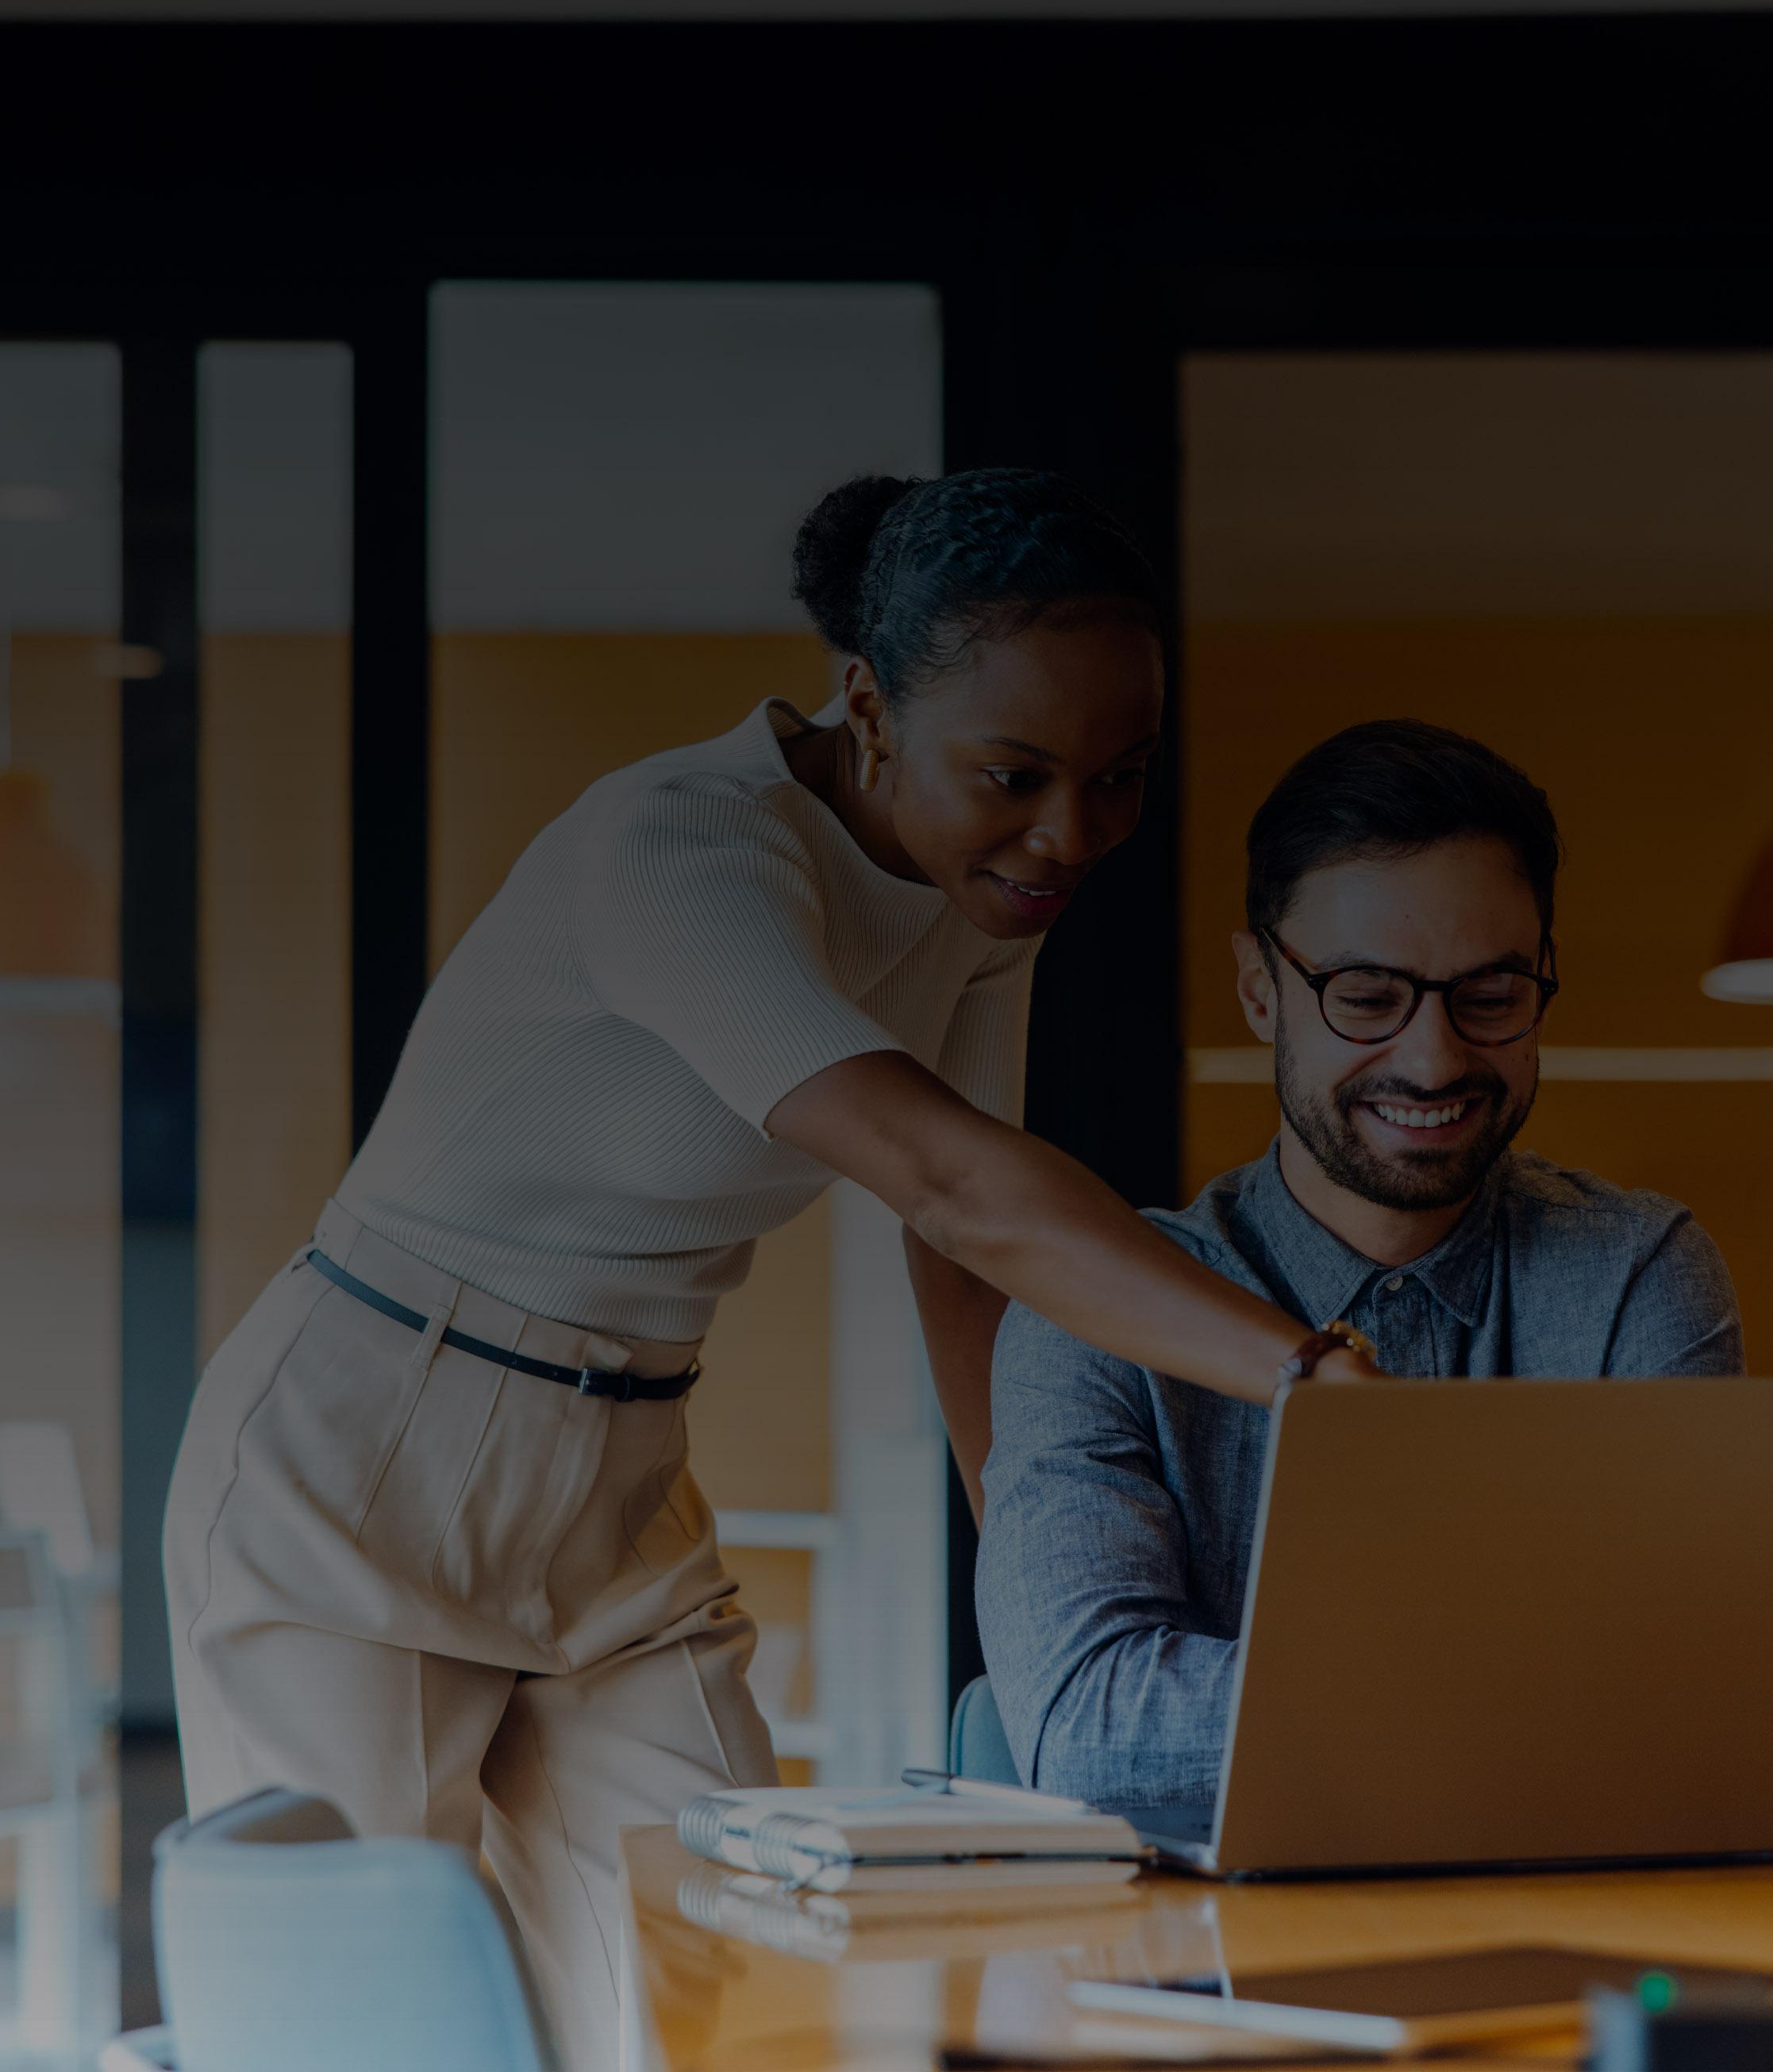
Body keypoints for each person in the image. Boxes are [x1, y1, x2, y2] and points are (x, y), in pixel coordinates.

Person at [164, 467, 1379, 2072]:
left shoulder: (979, 904)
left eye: (1119, 778)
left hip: (619, 1469)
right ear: (867, 707)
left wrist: (1033, 1582)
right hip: (362, 1445)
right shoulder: (678, 855)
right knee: (375, 2029)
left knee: (737, 1974)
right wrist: (1309, 1374)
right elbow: (952, 1186)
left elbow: (963, 1268)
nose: (1067, 834)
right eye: (1014, 773)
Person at [977, 719, 1745, 1816]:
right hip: (1201, 1976)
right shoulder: (1086, 1309)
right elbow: (1093, 1734)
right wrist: (1553, 1695)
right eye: (1367, 997)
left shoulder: (1636, 1272)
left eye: (1488, 996)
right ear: (1259, 991)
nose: (1432, 1059)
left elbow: (1692, 1706)